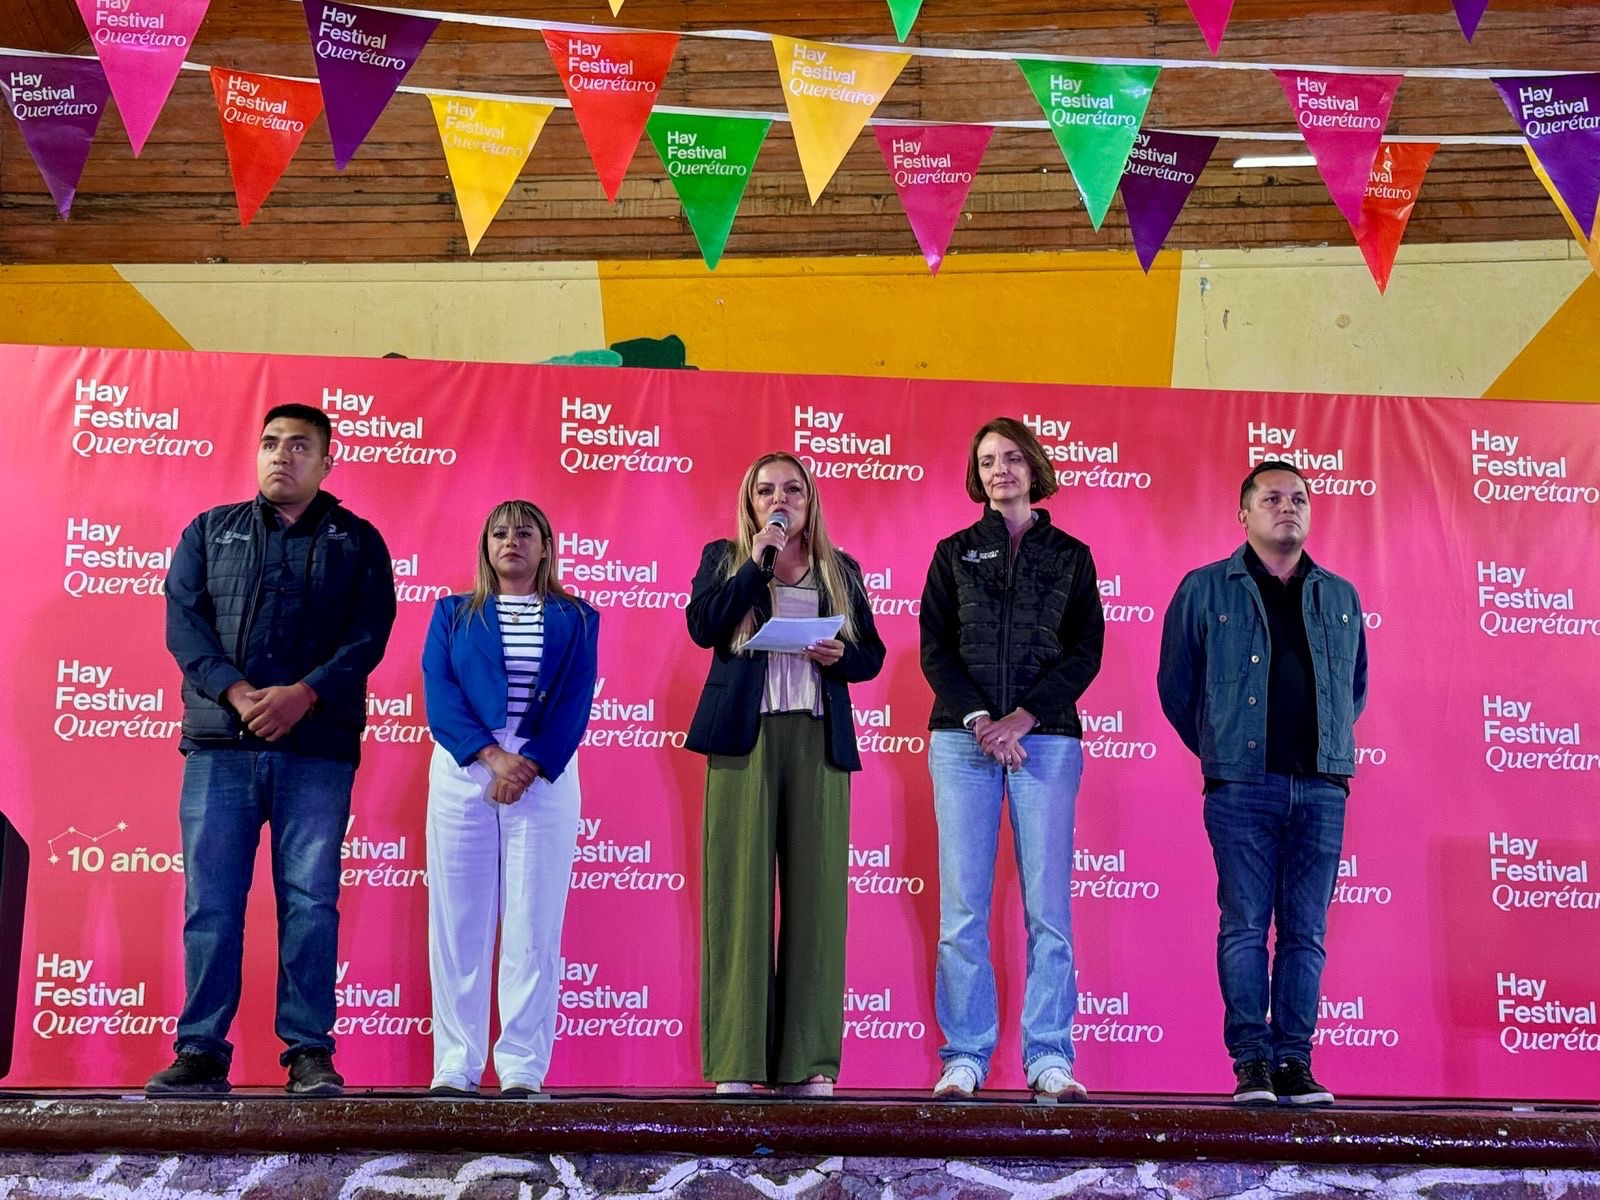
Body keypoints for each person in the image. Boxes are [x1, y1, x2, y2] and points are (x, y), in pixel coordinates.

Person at [149, 403, 396, 1096]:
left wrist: (304, 694)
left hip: (316, 749)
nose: (281, 454)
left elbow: (369, 634)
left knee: (310, 903)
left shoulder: (357, 540)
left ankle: (310, 1050)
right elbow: (184, 625)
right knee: (212, 904)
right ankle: (200, 1049)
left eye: (298, 445)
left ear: (326, 462)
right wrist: (237, 693)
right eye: (270, 443)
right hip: (218, 747)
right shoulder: (210, 530)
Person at [1157, 459, 1368, 1107]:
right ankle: (1251, 1061)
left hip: (1322, 786)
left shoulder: (1340, 596)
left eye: (1298, 498)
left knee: (1306, 933)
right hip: (1240, 787)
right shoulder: (1204, 589)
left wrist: (1325, 754)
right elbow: (1177, 688)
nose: (1288, 507)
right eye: (1272, 498)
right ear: (1243, 514)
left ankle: (1294, 1063)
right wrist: (1221, 750)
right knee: (1245, 926)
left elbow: (1353, 689)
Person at [685, 452, 885, 1097]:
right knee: (738, 896)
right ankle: (738, 1062)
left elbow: (872, 657)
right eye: (766, 490)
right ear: (750, 502)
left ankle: (809, 1063)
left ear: (810, 500)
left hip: (818, 739)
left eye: (792, 490)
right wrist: (756, 562)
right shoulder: (726, 558)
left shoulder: (839, 568)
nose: (780, 500)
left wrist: (839, 654)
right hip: (745, 740)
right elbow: (704, 626)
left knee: (818, 900)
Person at [920, 416, 1105, 1102]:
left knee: (1047, 910)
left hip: (1045, 739)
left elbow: (1086, 651)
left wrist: (1025, 716)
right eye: (988, 461)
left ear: (1033, 467)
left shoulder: (1072, 555)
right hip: (961, 739)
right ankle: (964, 1056)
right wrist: (980, 720)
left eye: (1011, 458)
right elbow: (935, 648)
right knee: (963, 909)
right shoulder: (953, 553)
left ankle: (1049, 1055)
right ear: (978, 476)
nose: (1000, 469)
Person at [421, 500, 599, 1098]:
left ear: (545, 545)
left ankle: (522, 1066)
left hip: (544, 772)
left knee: (533, 922)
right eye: (499, 533)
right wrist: (492, 757)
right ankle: (456, 1066)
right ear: (486, 545)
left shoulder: (577, 617)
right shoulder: (452, 613)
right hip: (466, 766)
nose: (511, 541)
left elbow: (574, 702)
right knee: (459, 922)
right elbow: (440, 694)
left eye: (525, 533)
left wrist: (528, 765)